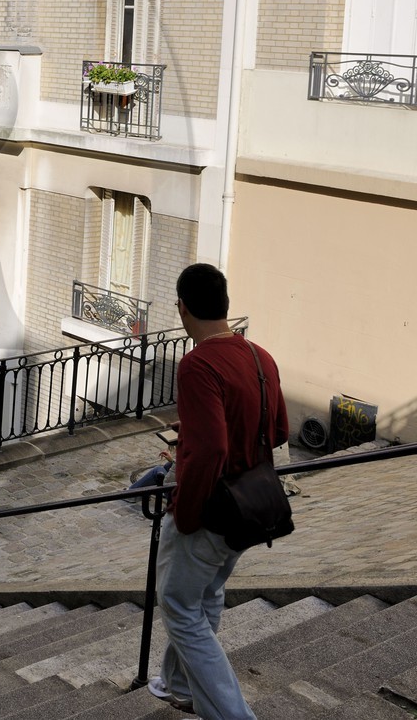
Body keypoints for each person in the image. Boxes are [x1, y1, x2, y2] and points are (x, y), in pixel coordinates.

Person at [151, 263, 288, 719]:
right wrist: (194, 427)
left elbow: (211, 451)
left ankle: (233, 714)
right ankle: (181, 687)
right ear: (225, 305)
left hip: (210, 510)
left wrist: (184, 514)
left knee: (178, 606)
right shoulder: (259, 356)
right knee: (206, 594)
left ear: (182, 308)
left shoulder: (198, 364)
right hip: (250, 507)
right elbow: (278, 430)